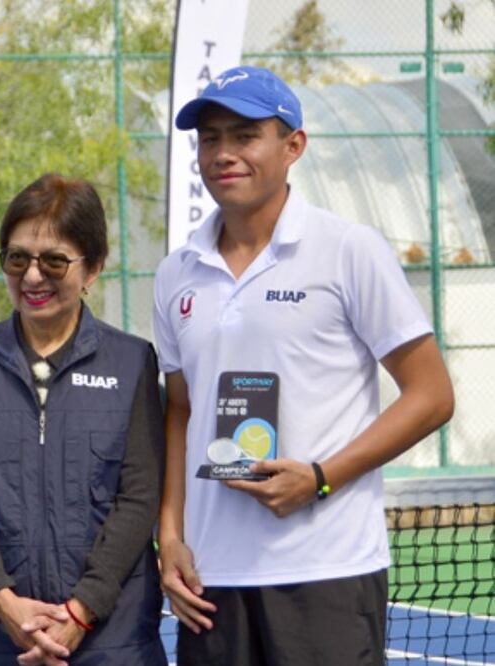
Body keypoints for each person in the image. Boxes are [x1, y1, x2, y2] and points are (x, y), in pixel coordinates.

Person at [153, 65, 455, 665]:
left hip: (327, 571)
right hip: (211, 581)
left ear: (293, 146)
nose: (222, 154)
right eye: (209, 138)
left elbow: (432, 395)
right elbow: (181, 411)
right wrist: (170, 538)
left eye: (243, 135)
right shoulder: (176, 272)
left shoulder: (348, 250)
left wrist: (320, 476)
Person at [0, 173, 166, 666]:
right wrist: (4, 603)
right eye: (17, 258)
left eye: (54, 260)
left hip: (111, 641)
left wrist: (82, 613)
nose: (33, 277)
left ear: (94, 267)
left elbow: (139, 495)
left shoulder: (132, 362)